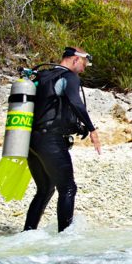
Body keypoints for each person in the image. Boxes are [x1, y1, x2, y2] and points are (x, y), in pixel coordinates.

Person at [24, 46, 101, 232]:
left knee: (46, 188)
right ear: (75, 59)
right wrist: (92, 130)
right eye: (84, 63)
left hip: (30, 141)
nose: (84, 68)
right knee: (68, 188)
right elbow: (76, 102)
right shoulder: (69, 77)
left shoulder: (42, 76)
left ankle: (28, 232)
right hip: (50, 140)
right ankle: (65, 237)